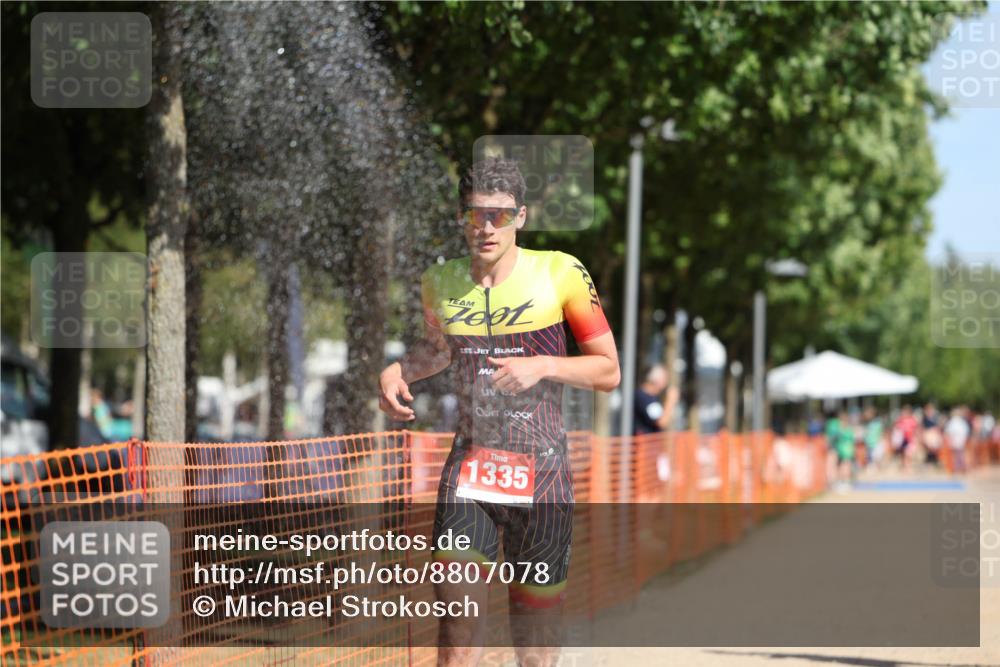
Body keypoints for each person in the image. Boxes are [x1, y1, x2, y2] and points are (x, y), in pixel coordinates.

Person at [377, 158, 620, 667]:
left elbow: (607, 370)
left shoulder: (561, 272)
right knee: (457, 628)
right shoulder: (439, 281)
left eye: (500, 216)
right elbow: (438, 351)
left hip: (543, 476)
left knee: (534, 650)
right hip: (470, 470)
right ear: (461, 217)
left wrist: (544, 366)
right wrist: (397, 371)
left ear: (521, 217)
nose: (486, 228)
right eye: (475, 214)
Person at [633, 363, 679, 435]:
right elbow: (661, 422)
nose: (666, 383)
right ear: (656, 380)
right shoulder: (643, 397)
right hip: (645, 441)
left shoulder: (651, 397)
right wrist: (671, 400)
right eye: (664, 379)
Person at [945, 406, 971, 474]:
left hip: (956, 440)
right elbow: (966, 431)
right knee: (960, 454)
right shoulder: (961, 421)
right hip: (960, 440)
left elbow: (948, 431)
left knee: (956, 455)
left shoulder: (953, 421)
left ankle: (958, 467)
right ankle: (960, 467)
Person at [892, 405, 918, 471]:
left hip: (910, 439)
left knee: (908, 453)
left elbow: (915, 430)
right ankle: (905, 466)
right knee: (904, 453)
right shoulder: (900, 420)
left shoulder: (912, 420)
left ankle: (907, 466)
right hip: (903, 440)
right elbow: (896, 429)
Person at [921, 402, 943, 466]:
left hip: (934, 433)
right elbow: (923, 427)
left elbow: (938, 426)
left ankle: (934, 459)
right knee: (929, 447)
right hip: (928, 433)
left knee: (935, 447)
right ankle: (930, 459)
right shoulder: (925, 417)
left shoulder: (935, 417)